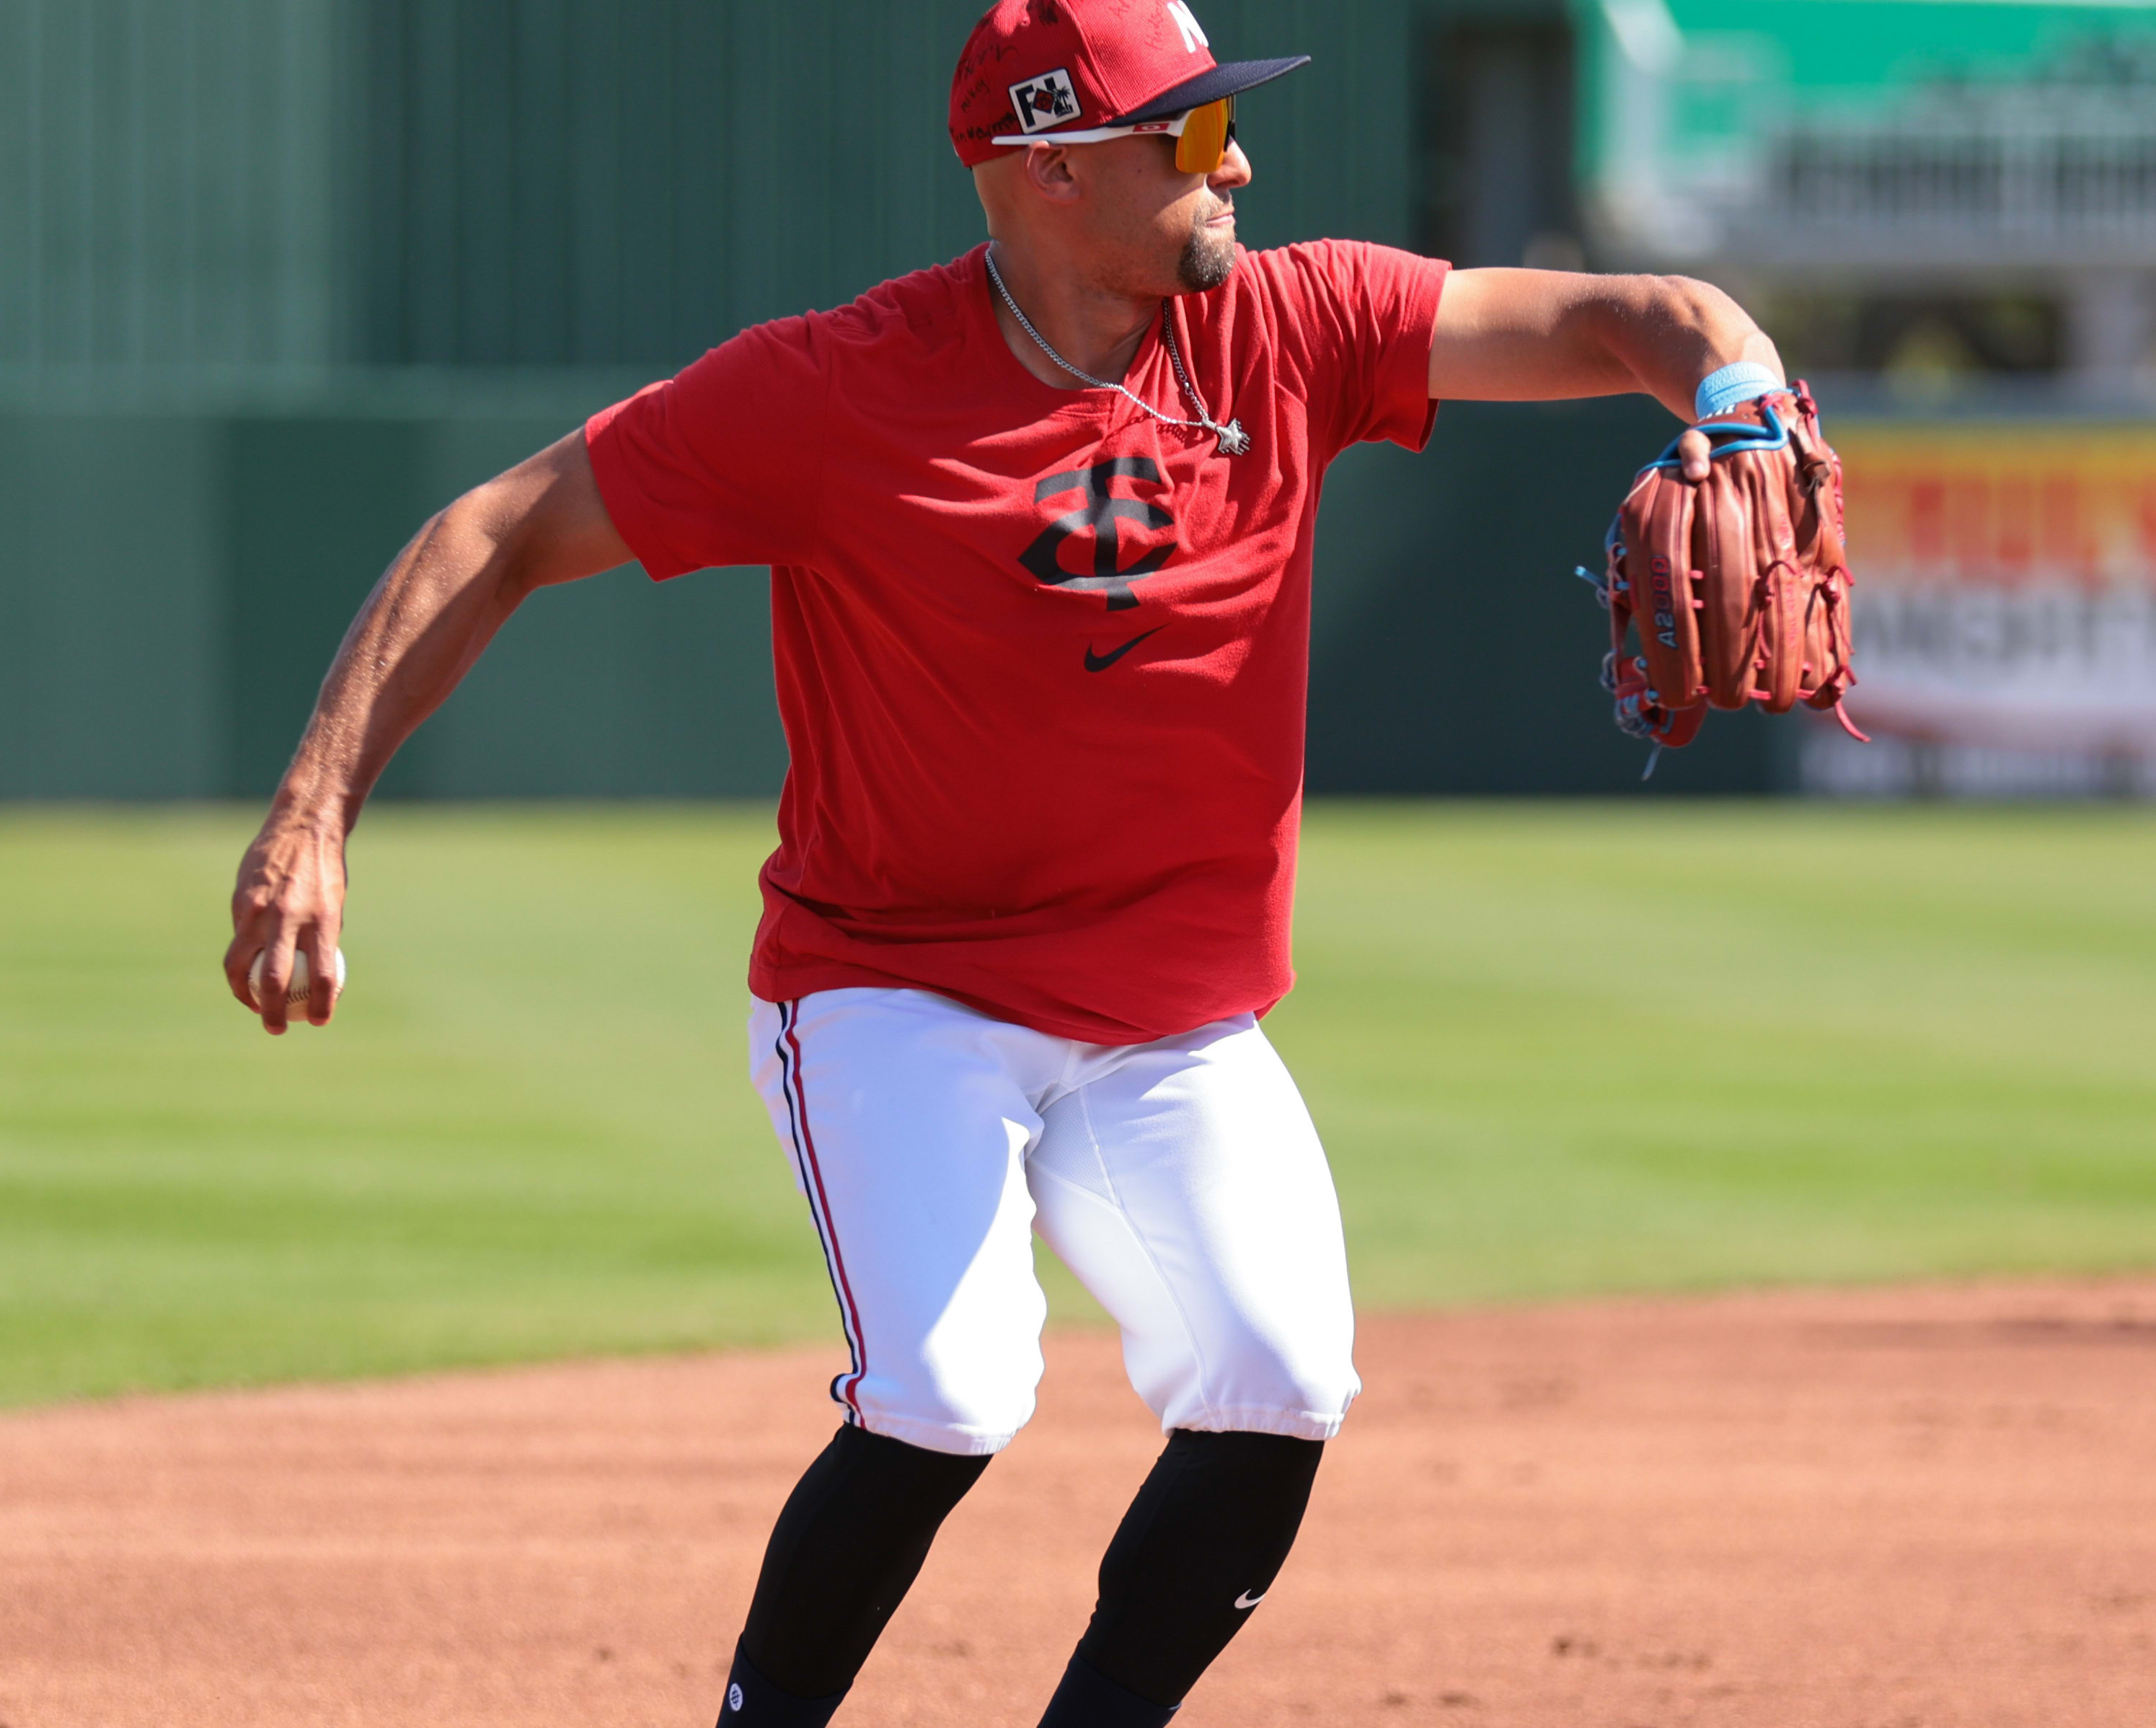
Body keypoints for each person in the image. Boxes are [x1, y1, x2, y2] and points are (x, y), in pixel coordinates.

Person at [224, 4, 1786, 1722]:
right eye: (1188, 133)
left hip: (1173, 1021)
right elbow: (500, 528)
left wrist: (1746, 399)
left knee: (1277, 1373)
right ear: (1049, 165)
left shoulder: (1299, 324)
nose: (1237, 160)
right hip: (899, 992)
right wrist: (313, 811)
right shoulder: (840, 391)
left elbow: (1636, 313)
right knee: (951, 1387)